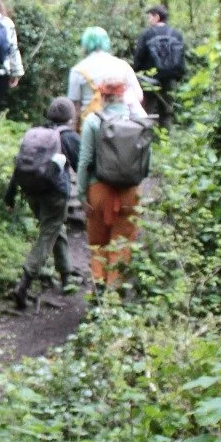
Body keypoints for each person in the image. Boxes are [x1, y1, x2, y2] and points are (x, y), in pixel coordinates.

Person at [4, 97, 81, 307]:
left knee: (54, 229)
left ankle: (66, 276)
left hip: (31, 191)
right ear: (70, 117)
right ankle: (24, 283)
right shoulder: (69, 138)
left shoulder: (36, 134)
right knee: (48, 234)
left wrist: (10, 195)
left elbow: (19, 165)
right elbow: (83, 166)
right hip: (55, 194)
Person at [77, 77, 142, 292]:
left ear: (103, 96)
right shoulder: (138, 121)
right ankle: (115, 296)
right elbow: (146, 164)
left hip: (99, 190)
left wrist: (81, 194)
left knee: (98, 243)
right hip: (130, 192)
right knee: (122, 243)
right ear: (123, 95)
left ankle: (98, 291)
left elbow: (85, 161)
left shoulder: (93, 122)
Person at [67, 27, 146, 124]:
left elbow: (74, 107)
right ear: (106, 42)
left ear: (85, 44)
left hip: (90, 123)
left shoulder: (78, 70)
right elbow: (139, 96)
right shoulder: (123, 65)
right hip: (121, 125)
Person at [132, 5, 188, 127]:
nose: (149, 20)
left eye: (149, 17)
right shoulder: (176, 34)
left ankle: (146, 140)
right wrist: (178, 76)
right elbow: (181, 57)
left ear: (157, 17)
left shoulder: (146, 34)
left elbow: (139, 57)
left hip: (149, 80)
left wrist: (136, 74)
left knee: (147, 112)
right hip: (170, 79)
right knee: (167, 111)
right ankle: (165, 141)